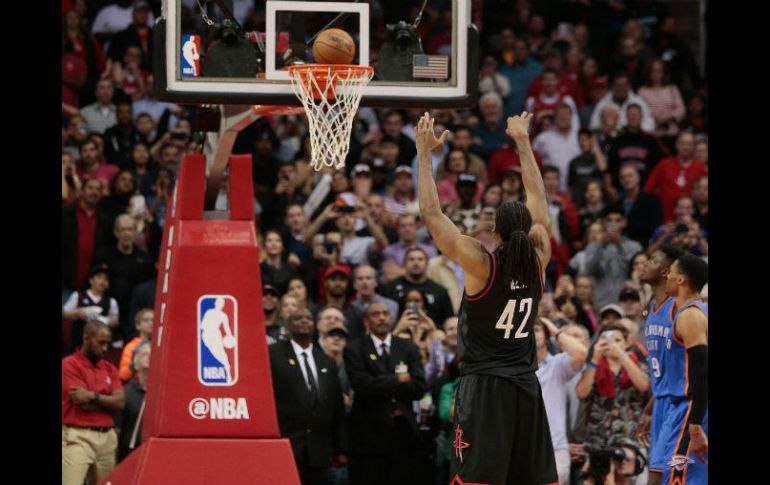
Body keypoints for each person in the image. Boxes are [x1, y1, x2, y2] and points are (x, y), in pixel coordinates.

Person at [416, 111, 558, 484]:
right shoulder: (540, 258)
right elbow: (538, 199)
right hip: (526, 385)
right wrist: (522, 141)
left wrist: (424, 153)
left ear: (492, 230)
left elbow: (431, 214)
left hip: (486, 387)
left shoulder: (482, 265)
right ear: (529, 230)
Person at [639, 252, 708, 485]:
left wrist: (696, 425)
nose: (668, 276)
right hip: (672, 402)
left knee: (681, 479)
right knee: (664, 477)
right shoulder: (679, 310)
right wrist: (652, 406)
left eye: (672, 273)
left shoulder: (689, 314)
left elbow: (702, 371)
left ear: (680, 280)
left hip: (688, 405)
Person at [343, 302, 426, 485]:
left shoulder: (407, 347)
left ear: (391, 318)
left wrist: (379, 382)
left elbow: (419, 387)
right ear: (366, 321)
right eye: (376, 314)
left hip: (403, 433)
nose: (381, 317)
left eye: (385, 314)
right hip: (368, 435)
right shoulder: (355, 348)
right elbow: (361, 384)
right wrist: (397, 380)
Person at [269, 309, 349, 485]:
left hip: (319, 449)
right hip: (287, 445)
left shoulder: (326, 361)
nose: (304, 321)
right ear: (288, 325)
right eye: (298, 318)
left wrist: (340, 449)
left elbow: (337, 407)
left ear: (315, 325)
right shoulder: (273, 355)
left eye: (308, 318)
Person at [62, 321, 125, 485]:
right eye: (101, 343)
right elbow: (82, 403)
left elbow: (120, 403)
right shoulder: (68, 364)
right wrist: (106, 401)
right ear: (86, 338)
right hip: (78, 435)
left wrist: (93, 396)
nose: (105, 349)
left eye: (107, 344)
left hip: (107, 439)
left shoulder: (111, 368)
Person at [535, 317, 588, 485]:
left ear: (546, 335)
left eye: (536, 330)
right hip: (522, 448)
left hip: (555, 449)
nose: (530, 334)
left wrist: (554, 329)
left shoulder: (556, 365)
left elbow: (582, 353)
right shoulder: (512, 367)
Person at [581, 205, 643, 308]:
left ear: (624, 223)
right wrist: (602, 245)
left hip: (628, 302)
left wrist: (619, 245)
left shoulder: (634, 246)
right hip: (600, 302)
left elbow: (634, 271)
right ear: (604, 223)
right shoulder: (593, 247)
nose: (613, 224)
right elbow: (588, 271)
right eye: (609, 220)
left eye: (617, 220)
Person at [379, 247, 454, 329]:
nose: (416, 262)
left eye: (420, 259)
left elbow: (449, 321)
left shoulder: (440, 292)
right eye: (411, 259)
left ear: (427, 264)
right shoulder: (389, 289)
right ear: (404, 264)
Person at [643, 132, 707, 223]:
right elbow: (648, 190)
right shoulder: (664, 164)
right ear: (676, 145)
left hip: (692, 221)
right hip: (663, 219)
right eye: (682, 143)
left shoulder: (701, 169)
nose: (686, 147)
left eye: (689, 144)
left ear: (694, 147)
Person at [62, 265, 120, 353]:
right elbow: (64, 313)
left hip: (99, 344)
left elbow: (115, 321)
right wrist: (79, 312)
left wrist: (105, 320)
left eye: (106, 279)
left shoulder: (111, 301)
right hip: (78, 340)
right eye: (99, 277)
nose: (102, 281)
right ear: (91, 280)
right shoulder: (78, 295)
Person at [117, 341, 150, 463]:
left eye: (152, 354)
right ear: (135, 364)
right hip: (128, 454)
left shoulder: (162, 393)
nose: (149, 357)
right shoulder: (126, 393)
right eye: (145, 354)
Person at [118, 308, 153, 382]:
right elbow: (123, 374)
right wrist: (136, 363)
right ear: (138, 326)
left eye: (153, 320)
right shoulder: (131, 346)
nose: (151, 323)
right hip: (137, 384)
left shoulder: (160, 346)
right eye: (146, 320)